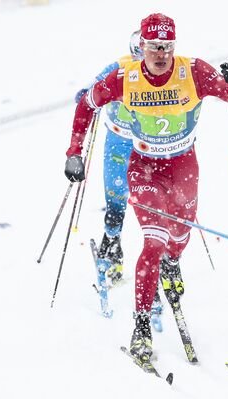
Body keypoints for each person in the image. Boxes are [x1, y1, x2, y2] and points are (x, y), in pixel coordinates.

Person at [64, 13, 228, 363]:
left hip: (184, 166)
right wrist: (74, 152)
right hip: (144, 168)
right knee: (154, 240)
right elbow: (86, 103)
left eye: (167, 46)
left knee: (180, 238)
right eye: (154, 46)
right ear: (142, 47)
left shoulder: (194, 71)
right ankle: (141, 327)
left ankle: (172, 264)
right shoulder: (125, 76)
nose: (161, 53)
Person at [73, 30, 143, 287]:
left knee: (154, 203)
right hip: (118, 141)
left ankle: (162, 259)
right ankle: (112, 245)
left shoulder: (163, 73)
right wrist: (87, 96)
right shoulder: (119, 68)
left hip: (149, 145)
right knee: (115, 199)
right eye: (139, 55)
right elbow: (87, 93)